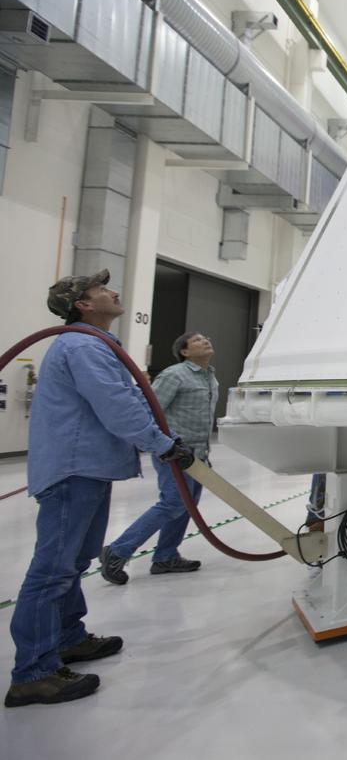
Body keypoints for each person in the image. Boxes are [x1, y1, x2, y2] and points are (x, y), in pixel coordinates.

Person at [7, 271, 194, 707]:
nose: (113, 292)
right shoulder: (82, 345)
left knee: (73, 561)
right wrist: (162, 445)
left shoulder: (92, 344)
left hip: (87, 468)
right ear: (84, 305)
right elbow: (117, 404)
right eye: (101, 290)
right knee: (53, 569)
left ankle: (69, 639)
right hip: (75, 470)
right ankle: (32, 672)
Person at [100, 332, 217, 584]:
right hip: (175, 452)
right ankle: (118, 550)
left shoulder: (210, 378)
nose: (205, 341)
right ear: (184, 352)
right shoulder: (174, 375)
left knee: (186, 506)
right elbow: (150, 410)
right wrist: (164, 445)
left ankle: (165, 556)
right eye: (197, 340)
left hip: (198, 454)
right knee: (173, 503)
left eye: (205, 338)